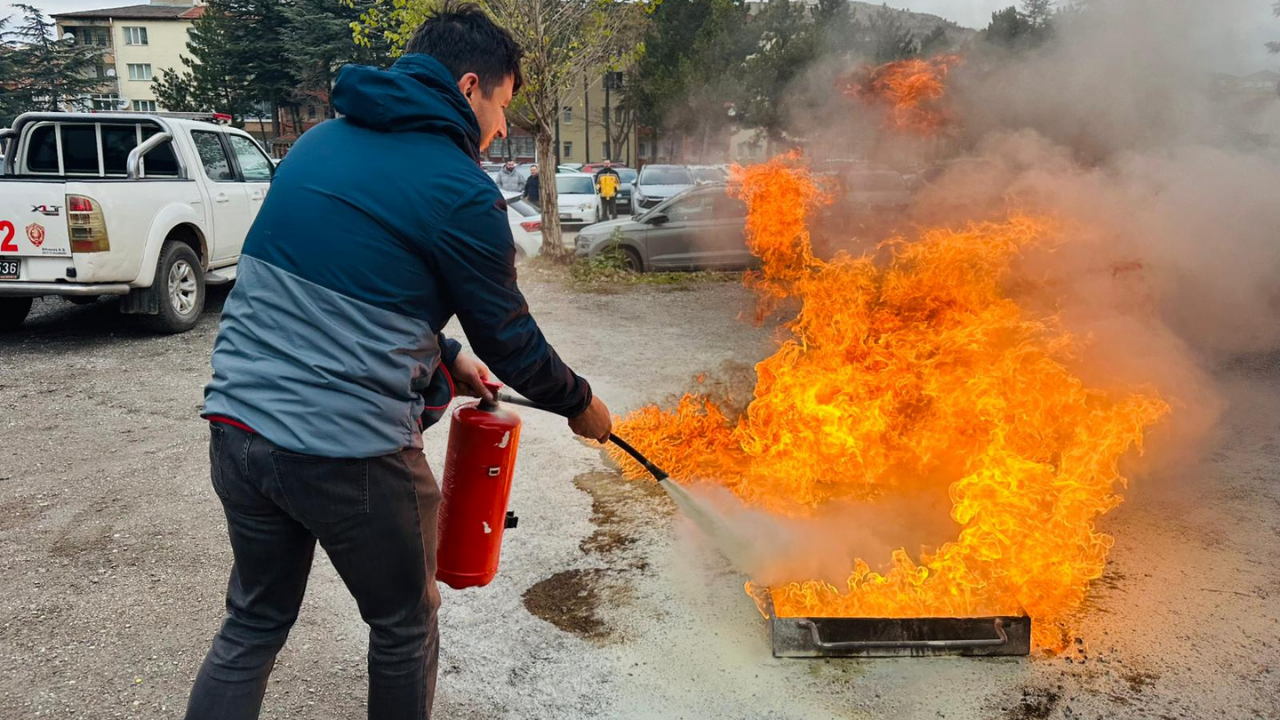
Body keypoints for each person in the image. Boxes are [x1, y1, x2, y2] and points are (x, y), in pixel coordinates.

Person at [185, 3, 612, 719]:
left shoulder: (319, 145)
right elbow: (511, 339)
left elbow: (333, 285)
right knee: (404, 625)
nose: (504, 126)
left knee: (254, 621)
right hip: (346, 452)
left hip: (235, 429)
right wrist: (579, 402)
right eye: (504, 105)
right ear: (470, 86)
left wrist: (448, 354)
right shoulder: (461, 191)